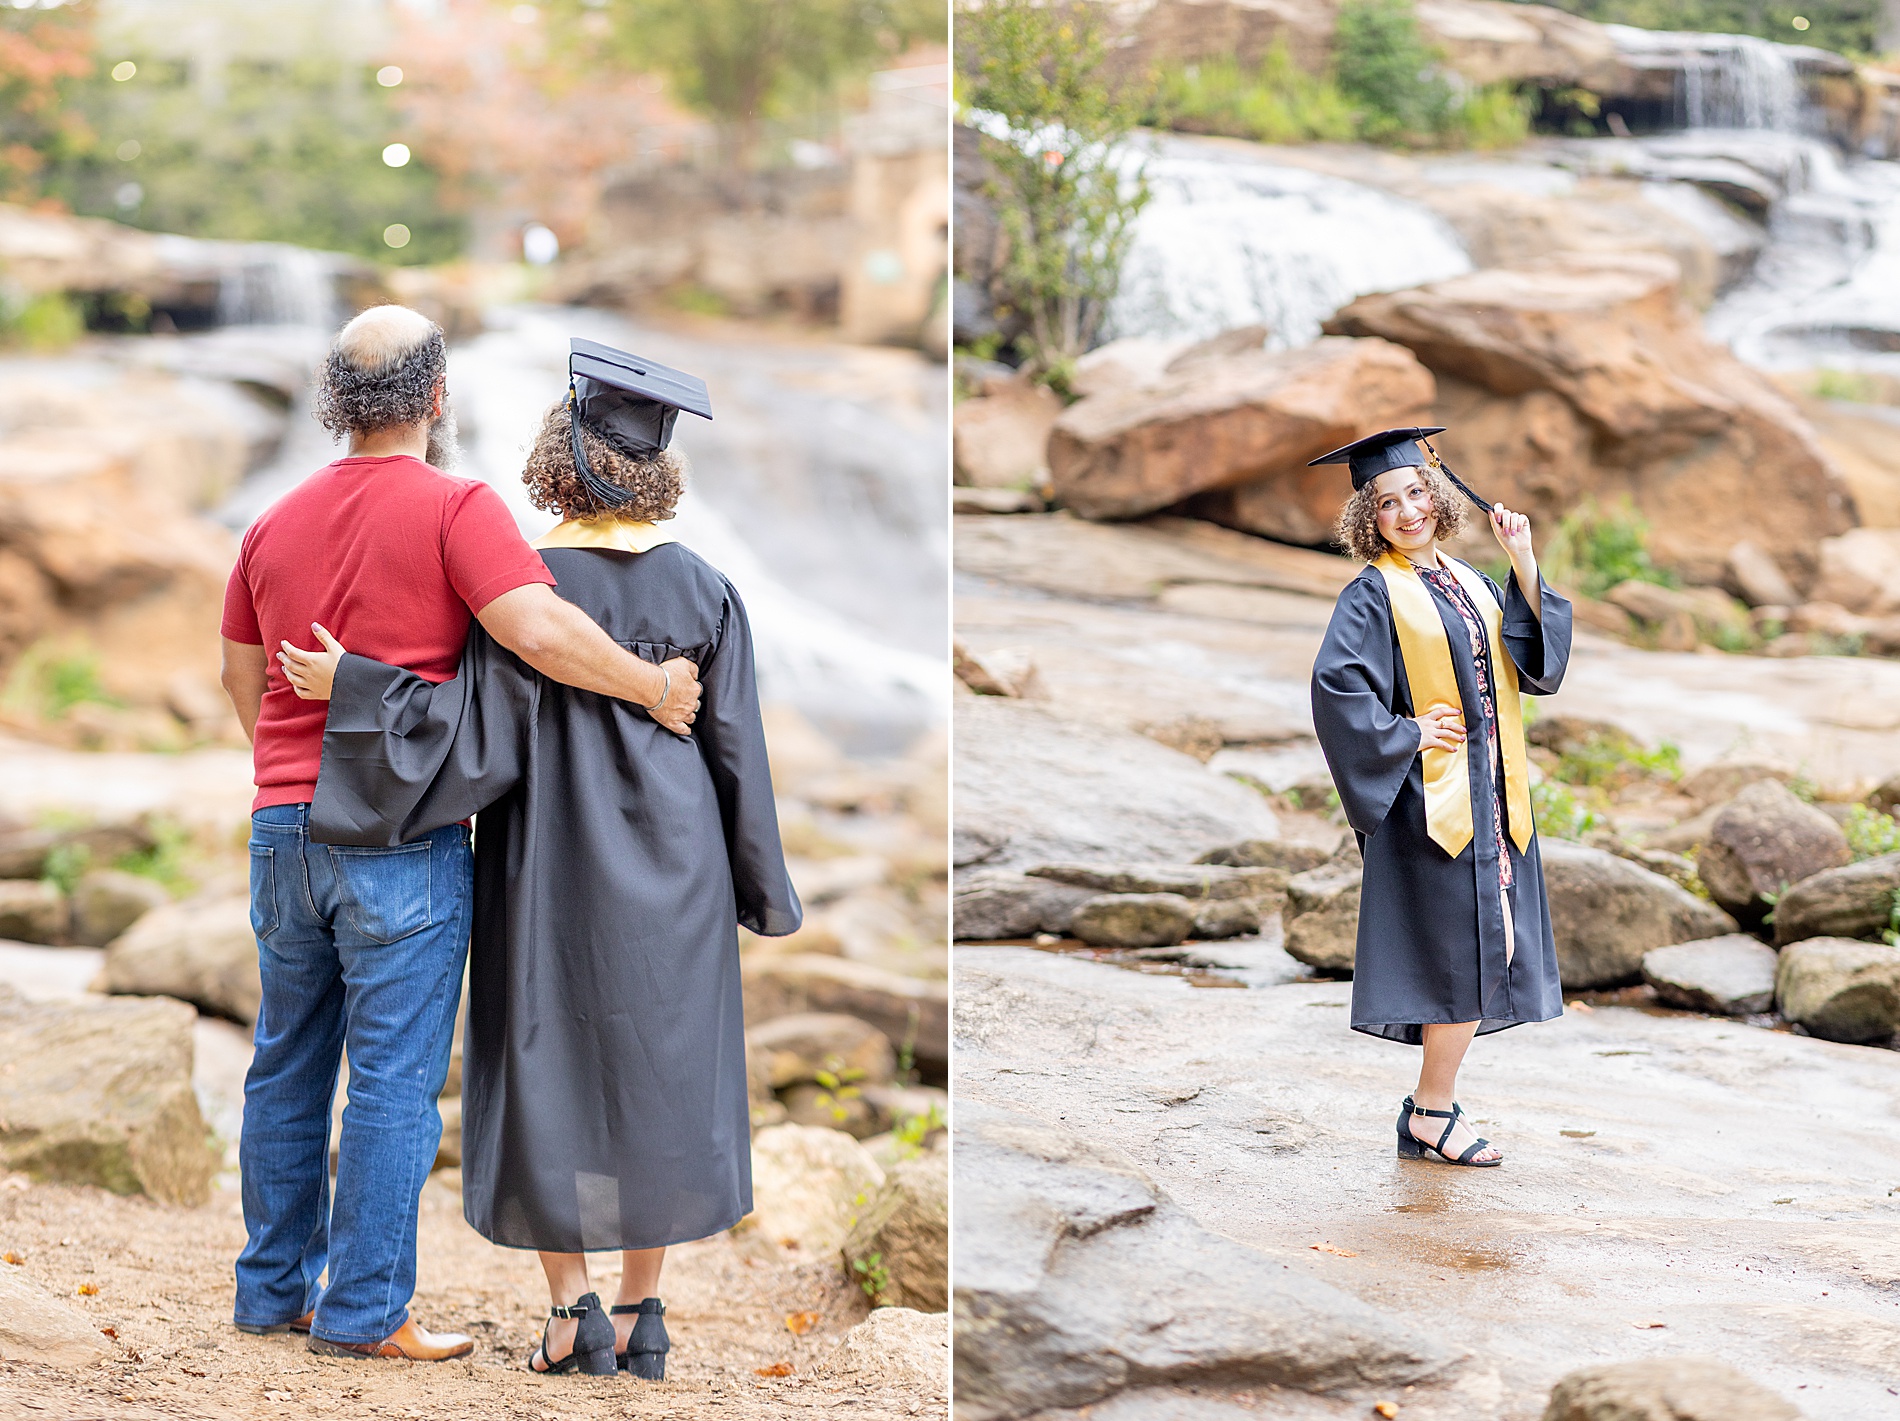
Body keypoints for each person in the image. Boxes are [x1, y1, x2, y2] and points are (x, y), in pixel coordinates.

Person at [277, 338, 802, 1379]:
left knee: (545, 1061)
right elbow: (736, 745)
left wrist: (359, 685)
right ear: (659, 468)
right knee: (660, 1067)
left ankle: (576, 1311)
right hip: (680, 867)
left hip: (548, 865)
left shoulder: (524, 583)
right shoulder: (709, 590)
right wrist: (759, 886)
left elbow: (472, 736)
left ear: (553, 458)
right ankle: (646, 1312)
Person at [1306, 427, 1573, 1168]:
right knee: (1465, 959)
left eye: (1416, 492)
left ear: (1438, 495)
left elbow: (1534, 664)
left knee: (1492, 949)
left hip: (1491, 804)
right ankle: (1430, 1113)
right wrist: (1407, 731)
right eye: (1388, 502)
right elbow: (1336, 690)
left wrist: (1521, 558)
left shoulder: (1466, 580)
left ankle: (1429, 1110)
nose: (1407, 510)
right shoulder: (1371, 594)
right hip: (1433, 810)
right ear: (1370, 518)